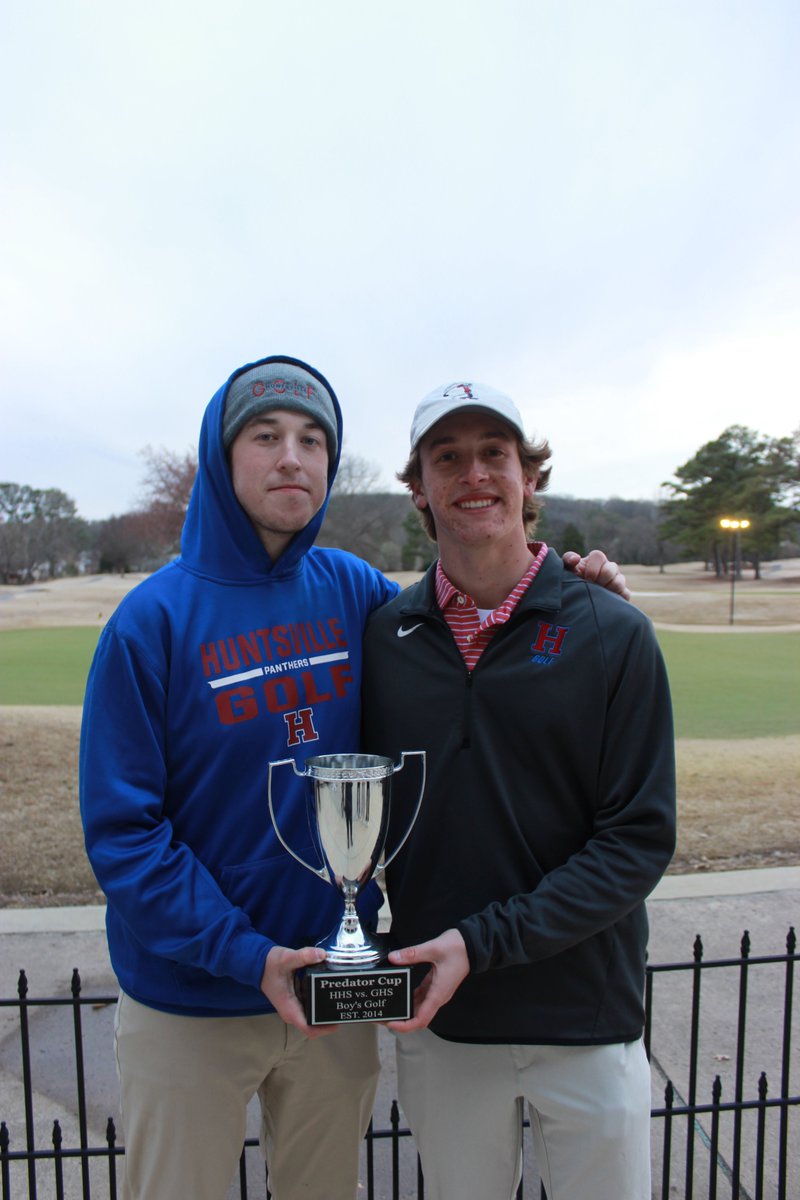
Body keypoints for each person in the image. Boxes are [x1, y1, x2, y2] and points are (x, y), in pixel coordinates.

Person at [79, 357, 627, 1200]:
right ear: (221, 461)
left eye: (312, 441)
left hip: (333, 995)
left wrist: (574, 589)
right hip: (191, 1000)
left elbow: (468, 605)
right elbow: (124, 835)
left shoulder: (351, 592)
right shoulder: (149, 622)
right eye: (265, 438)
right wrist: (244, 955)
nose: (292, 458)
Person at [361, 381, 676, 1200]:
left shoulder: (613, 633)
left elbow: (637, 840)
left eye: (494, 454)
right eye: (448, 457)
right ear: (419, 487)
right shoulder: (386, 639)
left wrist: (483, 943)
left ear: (528, 477)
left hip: (587, 1019)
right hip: (444, 1024)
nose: (475, 475)